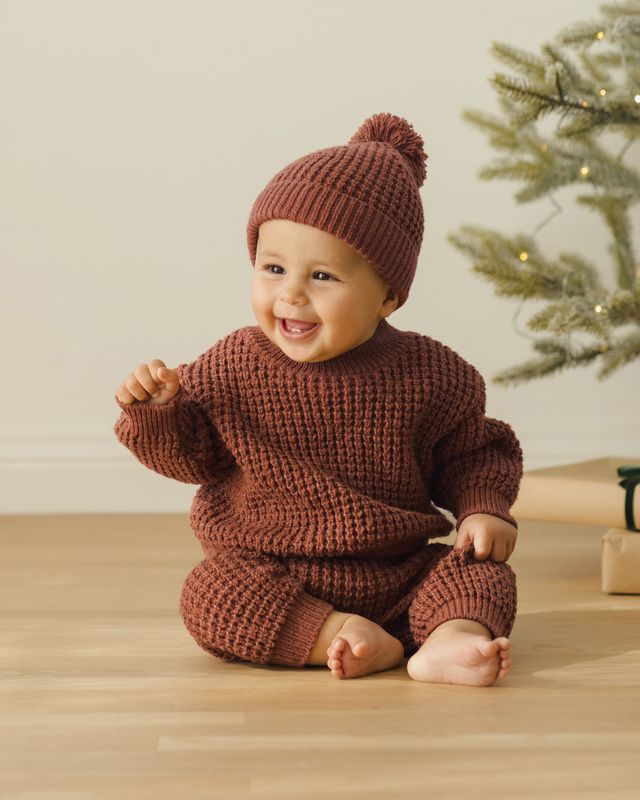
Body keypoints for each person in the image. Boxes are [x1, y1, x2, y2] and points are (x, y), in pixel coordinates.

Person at [114, 112, 523, 687]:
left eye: (323, 276)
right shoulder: (234, 364)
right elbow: (196, 458)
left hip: (399, 572)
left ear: (388, 296)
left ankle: (453, 638)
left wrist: (482, 508)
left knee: (483, 573)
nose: (291, 294)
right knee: (208, 596)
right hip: (273, 571)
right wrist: (158, 414)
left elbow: (475, 452)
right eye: (273, 268)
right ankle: (336, 635)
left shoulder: (433, 376)